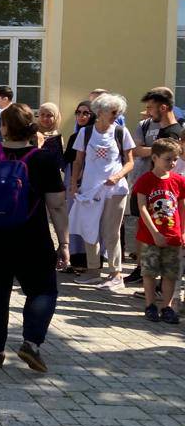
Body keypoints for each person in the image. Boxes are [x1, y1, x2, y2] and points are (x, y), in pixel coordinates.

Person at [0, 103, 69, 372]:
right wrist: (64, 242)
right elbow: (56, 204)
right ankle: (31, 343)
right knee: (43, 289)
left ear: (4, 127)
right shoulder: (43, 159)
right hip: (32, 237)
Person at [69, 92, 135, 289]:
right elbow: (78, 160)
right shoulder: (85, 133)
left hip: (115, 190)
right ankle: (93, 271)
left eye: (118, 111)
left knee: (111, 231)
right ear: (100, 111)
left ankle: (116, 274)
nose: (116, 114)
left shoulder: (121, 132)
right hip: (90, 189)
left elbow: (130, 161)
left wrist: (118, 175)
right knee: (89, 228)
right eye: (113, 111)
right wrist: (74, 184)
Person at [133, 138, 185, 324]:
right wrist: (155, 232)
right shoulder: (145, 180)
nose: (172, 163)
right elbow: (142, 207)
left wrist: (183, 231)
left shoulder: (178, 181)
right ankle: (150, 305)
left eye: (175, 159)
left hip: (173, 235)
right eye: (168, 159)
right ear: (154, 157)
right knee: (149, 272)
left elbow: (181, 207)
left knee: (170, 273)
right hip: (150, 236)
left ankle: (167, 306)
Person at [62, 100, 95, 272]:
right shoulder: (75, 135)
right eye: (78, 112)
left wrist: (78, 179)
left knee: (84, 219)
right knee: (71, 218)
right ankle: (74, 258)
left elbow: (84, 161)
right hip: (71, 180)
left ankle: (85, 261)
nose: (81, 116)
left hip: (84, 182)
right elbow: (68, 160)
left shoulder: (92, 134)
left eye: (86, 113)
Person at [36, 102, 64, 168]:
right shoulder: (31, 134)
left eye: (49, 115)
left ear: (55, 118)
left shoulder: (57, 137)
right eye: (42, 114)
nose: (45, 118)